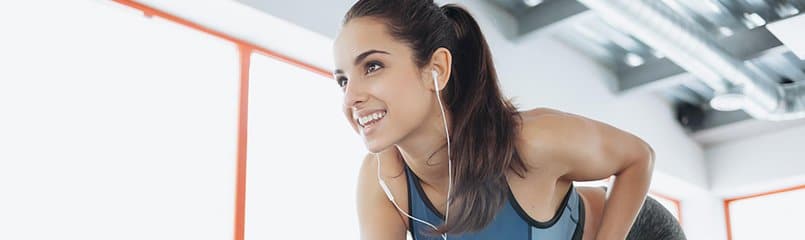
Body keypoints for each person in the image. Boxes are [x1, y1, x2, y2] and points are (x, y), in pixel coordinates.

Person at [331, 0, 686, 239]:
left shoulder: (530, 141)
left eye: (372, 66)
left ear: (436, 68)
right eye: (343, 79)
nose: (351, 97)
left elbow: (638, 157)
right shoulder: (384, 178)